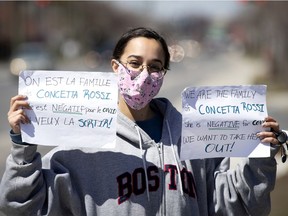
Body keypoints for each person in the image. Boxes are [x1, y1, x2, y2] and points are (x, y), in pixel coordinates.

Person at [0, 27, 286, 216]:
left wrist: (259, 156)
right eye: (134, 63)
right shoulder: (79, 146)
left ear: (164, 74)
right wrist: (22, 145)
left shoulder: (195, 138)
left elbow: (238, 206)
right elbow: (20, 207)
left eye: (155, 67)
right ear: (116, 66)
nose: (144, 75)